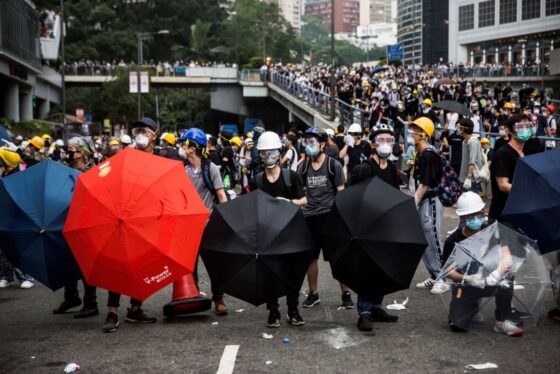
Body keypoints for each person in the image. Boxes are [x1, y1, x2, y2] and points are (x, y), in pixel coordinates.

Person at [102, 118, 159, 333]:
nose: (140, 134)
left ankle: (136, 307)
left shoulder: (162, 158)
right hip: (124, 216)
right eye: (137, 131)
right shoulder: (125, 157)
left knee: (143, 263)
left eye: (145, 131)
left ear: (154, 135)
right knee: (119, 263)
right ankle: (112, 312)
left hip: (148, 219)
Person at [443, 192, 524, 336]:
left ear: (483, 212)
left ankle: (502, 319)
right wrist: (467, 278)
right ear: (462, 217)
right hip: (466, 284)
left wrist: (496, 273)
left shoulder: (493, 231)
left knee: (507, 276)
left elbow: (507, 258)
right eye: (470, 216)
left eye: (479, 214)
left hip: (491, 280)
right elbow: (448, 270)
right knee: (457, 326)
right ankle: (473, 306)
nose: (475, 219)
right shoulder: (453, 241)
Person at [249, 131, 307, 328]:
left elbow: (305, 200)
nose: (268, 157)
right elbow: (252, 206)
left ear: (279, 151)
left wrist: (289, 202)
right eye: (264, 153)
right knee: (269, 274)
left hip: (290, 233)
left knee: (292, 273)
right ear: (259, 155)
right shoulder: (257, 180)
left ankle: (293, 310)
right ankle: (273, 311)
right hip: (267, 234)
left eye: (272, 152)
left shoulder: (291, 177)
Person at [350, 123, 400, 331]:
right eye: (381, 140)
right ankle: (364, 311)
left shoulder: (393, 169)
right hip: (366, 226)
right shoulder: (364, 169)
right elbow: (353, 198)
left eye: (390, 140)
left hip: (386, 225)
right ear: (372, 144)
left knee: (382, 268)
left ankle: (377, 306)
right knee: (367, 269)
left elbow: (396, 196)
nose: (386, 144)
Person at [298, 127, 354, 309]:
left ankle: (346, 293)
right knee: (310, 258)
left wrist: (340, 218)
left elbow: (341, 193)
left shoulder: (333, 165)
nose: (308, 146)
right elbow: (299, 192)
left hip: (329, 218)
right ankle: (313, 294)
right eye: (306, 142)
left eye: (312, 142)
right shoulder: (302, 167)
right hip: (309, 218)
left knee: (338, 257)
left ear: (322, 144)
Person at [179, 128, 229, 315]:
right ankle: (192, 296)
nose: (182, 147)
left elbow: (221, 194)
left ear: (194, 147)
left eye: (185, 144)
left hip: (208, 225)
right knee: (190, 264)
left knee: (214, 264)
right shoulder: (182, 169)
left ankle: (219, 299)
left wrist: (226, 220)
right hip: (188, 226)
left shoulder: (211, 168)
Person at [53, 137, 98, 318]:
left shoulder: (93, 172)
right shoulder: (66, 171)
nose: (67, 152)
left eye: (71, 149)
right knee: (66, 259)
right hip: (68, 221)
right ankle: (71, 297)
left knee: (86, 264)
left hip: (87, 224)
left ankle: (91, 303)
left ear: (80, 153)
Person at [408, 117, 447, 295]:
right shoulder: (421, 153)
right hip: (424, 200)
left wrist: (414, 201)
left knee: (433, 238)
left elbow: (425, 183)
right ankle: (433, 274)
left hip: (430, 201)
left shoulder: (429, 154)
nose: (411, 132)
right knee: (423, 239)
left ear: (423, 133)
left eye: (415, 129)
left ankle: (443, 277)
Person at [0, 147, 35, 290]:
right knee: (2, 248)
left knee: (16, 247)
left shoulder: (18, 177)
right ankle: (6, 276)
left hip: (16, 219)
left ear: (6, 163)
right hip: (3, 216)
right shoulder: (4, 174)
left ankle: (26, 276)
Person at [489, 114, 530, 224]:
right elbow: (503, 185)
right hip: (502, 215)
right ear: (510, 131)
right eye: (520, 127)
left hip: (518, 212)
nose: (525, 130)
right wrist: (527, 191)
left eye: (527, 126)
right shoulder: (503, 153)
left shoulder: (523, 153)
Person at [457, 118, 483, 193]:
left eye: (460, 127)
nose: (458, 129)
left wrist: (468, 179)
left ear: (465, 129)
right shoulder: (464, 142)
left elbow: (472, 162)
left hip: (471, 181)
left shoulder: (473, 142)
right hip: (463, 179)